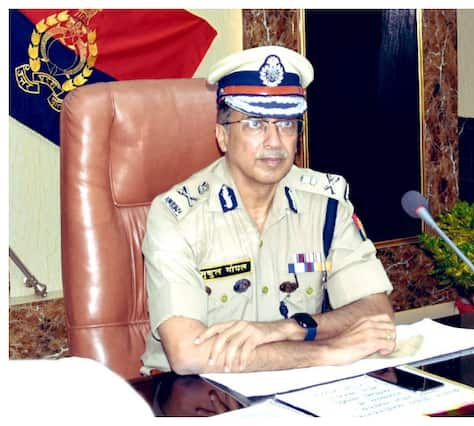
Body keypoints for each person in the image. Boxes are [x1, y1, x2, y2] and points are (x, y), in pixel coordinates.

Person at [141, 45, 396, 376]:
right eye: (254, 123)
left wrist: (289, 328)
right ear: (222, 136)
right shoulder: (176, 215)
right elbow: (188, 355)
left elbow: (377, 314)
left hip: (297, 385)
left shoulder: (326, 204)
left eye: (286, 124)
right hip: (196, 391)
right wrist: (328, 351)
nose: (274, 141)